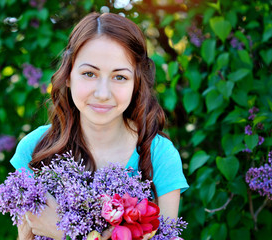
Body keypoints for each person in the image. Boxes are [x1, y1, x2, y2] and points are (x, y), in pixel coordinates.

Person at [10, 12, 189, 240]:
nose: (103, 93)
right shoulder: (34, 149)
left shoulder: (160, 156)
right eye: (89, 73)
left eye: (120, 77)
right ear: (68, 76)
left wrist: (64, 232)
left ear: (136, 82)